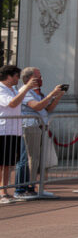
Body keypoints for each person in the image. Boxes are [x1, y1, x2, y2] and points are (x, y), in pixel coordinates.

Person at [16, 67, 66, 199]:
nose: (40, 80)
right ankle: (22, 188)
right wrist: (51, 94)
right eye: (37, 77)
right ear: (28, 79)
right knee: (28, 159)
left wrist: (57, 97)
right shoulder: (24, 91)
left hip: (40, 127)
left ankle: (35, 186)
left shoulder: (36, 92)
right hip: (30, 126)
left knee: (38, 159)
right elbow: (37, 106)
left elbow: (47, 108)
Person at [0, 65, 38, 202]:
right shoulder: (1, 89)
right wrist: (27, 88)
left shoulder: (12, 89)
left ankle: (4, 189)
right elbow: (12, 103)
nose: (18, 79)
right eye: (16, 76)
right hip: (3, 130)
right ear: (9, 76)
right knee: (2, 164)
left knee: (8, 163)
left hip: (14, 130)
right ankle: (2, 191)